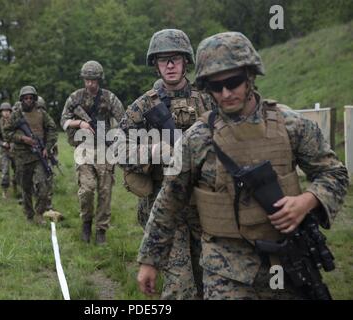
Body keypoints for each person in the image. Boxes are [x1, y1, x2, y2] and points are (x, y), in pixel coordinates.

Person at [137, 31, 349, 300]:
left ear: (250, 76)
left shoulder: (290, 125)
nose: (226, 93)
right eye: (216, 87)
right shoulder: (197, 138)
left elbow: (334, 172)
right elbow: (170, 200)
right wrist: (149, 260)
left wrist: (307, 201)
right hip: (226, 271)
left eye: (234, 82)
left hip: (287, 260)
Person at [118, 29, 215, 300]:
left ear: (186, 61)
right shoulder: (142, 106)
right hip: (164, 206)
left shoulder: (208, 100)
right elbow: (116, 149)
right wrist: (152, 150)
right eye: (163, 60)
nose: (170, 65)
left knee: (209, 280)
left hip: (206, 204)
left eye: (175, 58)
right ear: (156, 65)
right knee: (180, 287)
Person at [60, 60, 124, 245]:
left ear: (99, 79)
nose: (90, 84)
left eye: (94, 80)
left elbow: (124, 119)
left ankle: (101, 231)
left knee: (105, 192)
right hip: (84, 149)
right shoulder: (75, 98)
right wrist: (80, 123)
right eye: (87, 80)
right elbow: (63, 120)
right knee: (87, 189)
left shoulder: (109, 98)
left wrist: (117, 138)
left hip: (105, 150)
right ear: (83, 79)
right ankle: (86, 223)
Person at [3, 86, 58, 225]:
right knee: (26, 188)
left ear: (34, 99)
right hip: (22, 156)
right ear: (21, 99)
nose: (28, 100)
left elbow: (52, 128)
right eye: (25, 98)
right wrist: (22, 139)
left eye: (31, 98)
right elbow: (6, 133)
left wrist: (47, 147)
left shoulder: (41, 114)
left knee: (43, 187)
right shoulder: (16, 115)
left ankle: (39, 213)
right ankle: (29, 215)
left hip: (39, 156)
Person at [0, 102, 18, 199]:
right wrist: (3, 143)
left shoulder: (15, 122)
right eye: (4, 111)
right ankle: (4, 191)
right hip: (5, 150)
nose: (6, 113)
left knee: (18, 171)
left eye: (8, 111)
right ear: (1, 112)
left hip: (16, 150)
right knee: (5, 171)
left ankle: (16, 186)